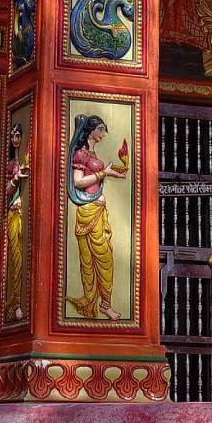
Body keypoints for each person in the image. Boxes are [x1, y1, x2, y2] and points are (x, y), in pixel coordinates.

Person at [65, 114, 129, 320]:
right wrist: (104, 174)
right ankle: (96, 303)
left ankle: (105, 303)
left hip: (98, 209)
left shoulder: (92, 153)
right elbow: (78, 182)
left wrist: (114, 173)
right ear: (90, 130)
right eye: (100, 129)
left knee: (104, 258)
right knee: (94, 259)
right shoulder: (81, 154)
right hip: (87, 210)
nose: (104, 133)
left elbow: (99, 173)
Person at [2, 121, 29, 321]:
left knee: (23, 257)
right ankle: (15, 303)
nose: (15, 139)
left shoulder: (26, 159)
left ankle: (20, 303)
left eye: (18, 135)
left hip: (24, 214)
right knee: (15, 259)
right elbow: (6, 192)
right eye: (13, 136)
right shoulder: (11, 164)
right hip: (13, 212)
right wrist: (16, 178)